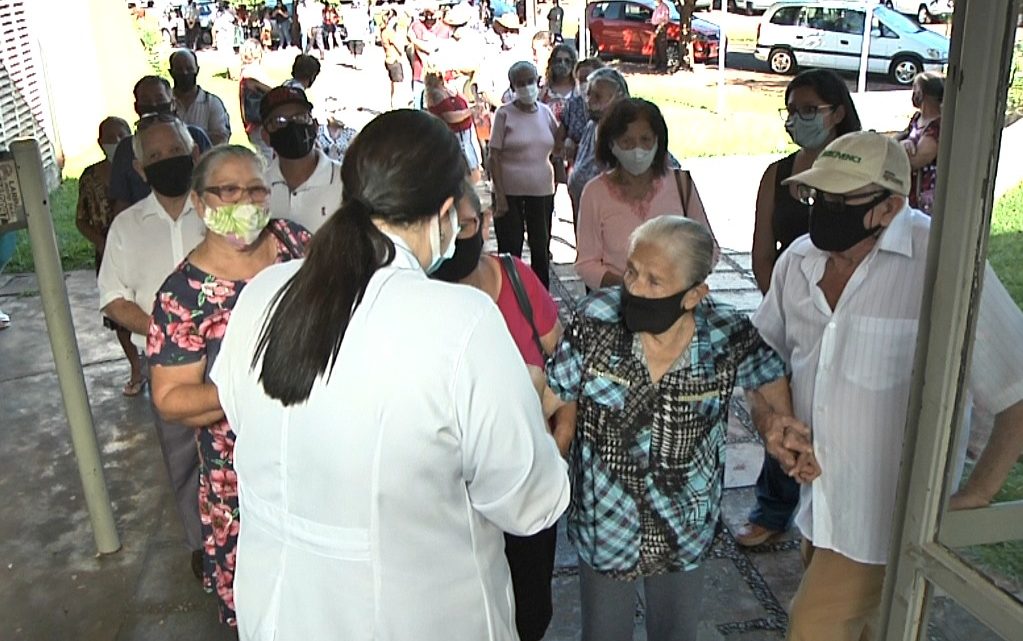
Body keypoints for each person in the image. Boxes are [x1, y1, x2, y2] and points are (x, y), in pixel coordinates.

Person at [209, 109, 570, 640]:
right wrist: (541, 419)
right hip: (419, 618)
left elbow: (247, 419)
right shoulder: (461, 323)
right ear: (445, 211)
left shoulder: (265, 292)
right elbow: (529, 503)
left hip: (284, 612)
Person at [759, 131, 1023, 641]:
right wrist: (774, 421)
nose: (823, 211)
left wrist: (978, 493)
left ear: (890, 206)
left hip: (888, 520)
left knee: (810, 628)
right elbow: (762, 358)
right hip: (820, 507)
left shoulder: (941, 262)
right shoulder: (798, 261)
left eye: (839, 200)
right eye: (818, 197)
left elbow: (1016, 389)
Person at [545, 215, 818, 641]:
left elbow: (766, 371)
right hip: (607, 521)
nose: (635, 288)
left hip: (683, 525)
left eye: (655, 281)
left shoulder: (724, 332)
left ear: (695, 295)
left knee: (675, 633)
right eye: (632, 271)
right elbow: (554, 395)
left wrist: (777, 424)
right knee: (602, 634)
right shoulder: (596, 319)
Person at [147, 145, 310, 628]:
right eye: (229, 191)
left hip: (317, 449)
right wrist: (249, 390)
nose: (246, 201)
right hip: (240, 476)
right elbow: (171, 398)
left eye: (256, 189)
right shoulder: (184, 295)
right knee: (266, 604)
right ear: (199, 203)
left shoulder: (296, 245)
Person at [432, 182, 572, 641]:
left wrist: (556, 446)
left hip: (527, 475)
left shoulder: (515, 277)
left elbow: (567, 369)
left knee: (531, 605)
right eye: (444, 228)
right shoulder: (420, 300)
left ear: (485, 224)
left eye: (466, 225)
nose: (456, 238)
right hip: (455, 491)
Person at [741, 68, 862, 548]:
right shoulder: (778, 173)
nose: (797, 120)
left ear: (837, 114)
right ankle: (773, 510)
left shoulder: (861, 172)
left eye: (809, 110)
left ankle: (837, 507)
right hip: (789, 307)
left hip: (847, 308)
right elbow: (761, 250)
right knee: (780, 407)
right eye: (791, 111)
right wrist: (784, 302)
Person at [97, 114, 207, 577]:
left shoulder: (219, 211)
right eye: (155, 157)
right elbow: (114, 300)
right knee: (184, 460)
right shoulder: (126, 227)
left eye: (174, 152)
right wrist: (165, 333)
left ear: (195, 153)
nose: (167, 162)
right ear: (140, 170)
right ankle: (204, 549)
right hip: (167, 364)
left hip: (231, 356)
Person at [575, 98, 718, 291]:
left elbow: (709, 249)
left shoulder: (681, 184)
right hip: (619, 302)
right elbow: (586, 263)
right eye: (627, 142)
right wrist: (633, 287)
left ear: (658, 141)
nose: (637, 150)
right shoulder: (595, 193)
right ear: (612, 144)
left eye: (645, 140)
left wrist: (678, 283)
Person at [75, 116, 145, 396]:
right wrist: (104, 244)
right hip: (108, 253)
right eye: (108, 137)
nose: (114, 142)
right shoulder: (90, 176)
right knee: (120, 314)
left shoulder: (140, 171)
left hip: (140, 248)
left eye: (121, 136)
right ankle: (136, 368)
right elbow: (81, 219)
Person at [489, 61, 558, 290]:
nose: (527, 87)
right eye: (521, 83)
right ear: (512, 86)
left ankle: (542, 297)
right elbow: (494, 155)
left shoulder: (546, 112)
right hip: (510, 192)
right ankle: (511, 294)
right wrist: (499, 195)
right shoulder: (504, 114)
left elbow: (557, 145)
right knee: (510, 251)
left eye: (531, 81)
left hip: (542, 191)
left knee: (540, 248)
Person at [109, 76, 213, 215]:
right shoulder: (126, 149)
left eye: (159, 99)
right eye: (146, 101)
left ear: (173, 103)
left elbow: (213, 182)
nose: (153, 104)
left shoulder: (196, 136)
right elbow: (121, 202)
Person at [260, 86, 342, 233]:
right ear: (265, 136)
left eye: (300, 117)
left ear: (315, 126)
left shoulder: (346, 182)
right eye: (280, 121)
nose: (292, 127)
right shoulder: (258, 189)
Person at [566, 66, 626, 226]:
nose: (589, 102)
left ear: (619, 98)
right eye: (588, 95)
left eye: (597, 97)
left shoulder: (626, 133)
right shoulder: (592, 127)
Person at [896, 72, 943, 215]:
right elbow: (900, 138)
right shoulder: (918, 118)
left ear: (924, 94)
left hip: (925, 197)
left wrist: (900, 149)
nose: (913, 92)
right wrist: (904, 143)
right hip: (910, 191)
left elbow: (915, 161)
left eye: (915, 88)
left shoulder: (937, 126)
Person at [424, 69, 481, 182]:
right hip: (454, 135)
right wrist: (470, 111)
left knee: (473, 169)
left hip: (466, 134)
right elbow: (450, 117)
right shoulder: (435, 94)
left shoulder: (447, 89)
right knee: (463, 171)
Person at [170, 49, 232, 145]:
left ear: (197, 70)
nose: (185, 73)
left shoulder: (212, 103)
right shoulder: (165, 104)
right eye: (179, 69)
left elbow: (221, 139)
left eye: (189, 69)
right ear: (171, 72)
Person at [238, 38, 275, 161]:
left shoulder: (244, 71)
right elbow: (272, 89)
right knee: (267, 158)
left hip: (252, 123)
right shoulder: (253, 72)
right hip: (259, 123)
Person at [380, 8, 411, 108]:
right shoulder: (389, 32)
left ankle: (393, 105)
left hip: (388, 59)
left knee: (393, 84)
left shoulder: (383, 31)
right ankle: (395, 105)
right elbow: (398, 46)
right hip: (394, 60)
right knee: (397, 85)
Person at [316, 94, 358, 163]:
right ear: (327, 113)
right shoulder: (317, 134)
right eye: (337, 111)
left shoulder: (352, 135)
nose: (342, 114)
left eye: (344, 110)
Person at [341, 0, 370, 68]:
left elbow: (345, 24)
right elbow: (366, 23)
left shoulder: (348, 13)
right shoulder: (362, 13)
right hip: (359, 34)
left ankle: (354, 63)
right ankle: (357, 64)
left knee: (352, 50)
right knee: (358, 50)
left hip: (351, 34)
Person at [651, 0, 671, 73]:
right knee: (657, 48)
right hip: (656, 27)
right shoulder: (657, 6)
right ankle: (657, 65)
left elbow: (663, 21)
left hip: (661, 29)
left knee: (662, 48)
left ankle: (663, 67)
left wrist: (657, 31)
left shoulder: (664, 7)